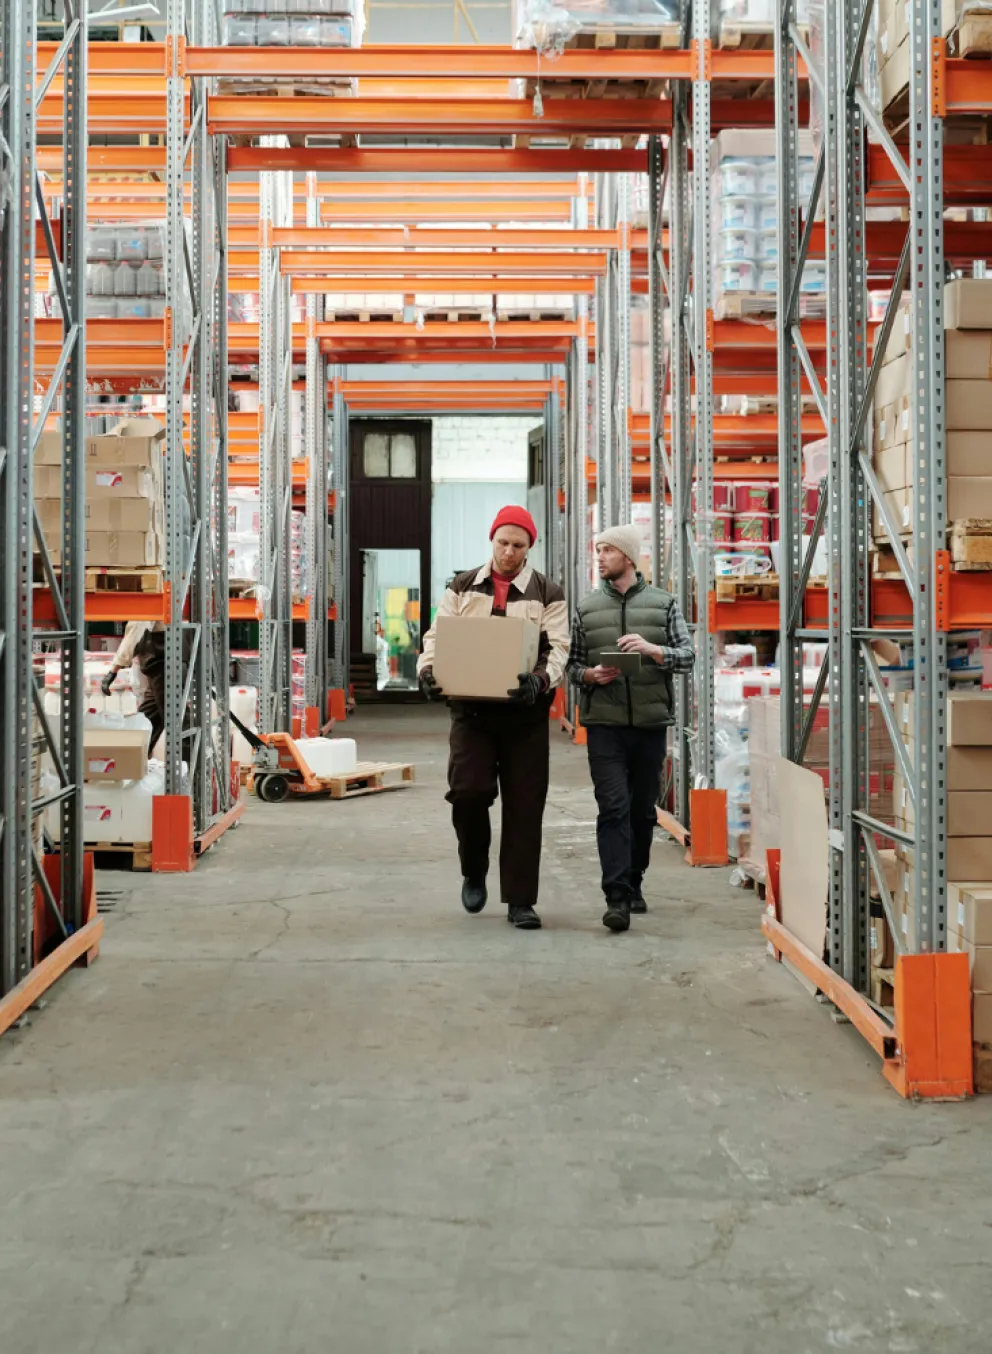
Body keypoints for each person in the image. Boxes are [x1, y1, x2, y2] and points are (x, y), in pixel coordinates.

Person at [418, 506, 569, 931]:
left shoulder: (547, 591)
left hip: (524, 716)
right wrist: (428, 671)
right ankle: (473, 868)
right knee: (467, 793)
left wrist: (539, 682)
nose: (508, 552)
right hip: (472, 714)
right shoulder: (463, 585)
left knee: (524, 807)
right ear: (492, 540)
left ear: (529, 548)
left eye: (517, 545)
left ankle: (520, 900)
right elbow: (438, 635)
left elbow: (557, 648)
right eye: (502, 543)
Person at [566, 525, 695, 934]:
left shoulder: (664, 604)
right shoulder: (587, 609)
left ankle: (635, 879)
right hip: (604, 724)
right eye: (597, 550)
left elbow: (688, 656)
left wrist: (655, 651)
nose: (599, 557)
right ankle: (616, 897)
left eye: (606, 550)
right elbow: (571, 666)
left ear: (628, 556)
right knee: (614, 808)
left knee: (642, 811)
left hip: (650, 724)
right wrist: (590, 675)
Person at [101, 621, 190, 757]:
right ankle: (129, 763)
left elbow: (136, 630)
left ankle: (189, 772)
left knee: (179, 723)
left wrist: (114, 670)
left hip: (163, 664)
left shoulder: (147, 604)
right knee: (147, 720)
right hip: (167, 663)